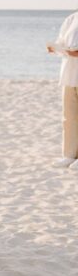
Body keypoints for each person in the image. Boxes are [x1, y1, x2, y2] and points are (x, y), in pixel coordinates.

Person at [48, 9, 78, 168]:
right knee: (69, 117)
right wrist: (55, 48)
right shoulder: (71, 19)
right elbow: (61, 42)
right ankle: (69, 155)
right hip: (69, 75)